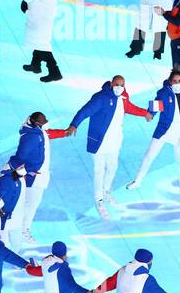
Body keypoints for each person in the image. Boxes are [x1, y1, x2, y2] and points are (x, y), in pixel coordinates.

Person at [66, 75, 154, 219]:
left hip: (114, 141)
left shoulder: (123, 97)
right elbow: (85, 110)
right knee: (99, 171)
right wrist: (74, 124)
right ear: (111, 83)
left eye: (122, 85)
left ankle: (106, 190)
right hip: (99, 142)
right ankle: (99, 200)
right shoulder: (101, 98)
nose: (119, 87)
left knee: (112, 167)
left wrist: (146, 113)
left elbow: (130, 108)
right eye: (117, 84)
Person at [127, 68, 180, 193]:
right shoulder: (163, 93)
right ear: (170, 82)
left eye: (179, 80)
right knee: (149, 156)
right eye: (175, 81)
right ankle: (137, 181)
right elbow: (156, 105)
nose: (177, 83)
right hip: (164, 129)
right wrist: (150, 114)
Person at [12, 111, 67, 244]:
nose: (47, 121)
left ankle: (21, 229)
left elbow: (52, 133)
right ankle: (21, 230)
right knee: (29, 205)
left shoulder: (40, 133)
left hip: (39, 176)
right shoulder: (30, 136)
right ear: (36, 123)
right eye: (44, 120)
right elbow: (20, 156)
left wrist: (66, 132)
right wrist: (24, 171)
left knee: (31, 205)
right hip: (33, 177)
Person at [18, 0, 63, 82]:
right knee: (39, 40)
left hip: (39, 15)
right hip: (46, 12)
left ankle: (54, 71)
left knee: (42, 44)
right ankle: (35, 65)